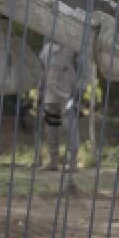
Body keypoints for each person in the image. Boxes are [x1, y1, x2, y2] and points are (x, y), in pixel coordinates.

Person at [37, 40, 92, 172]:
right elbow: (41, 71)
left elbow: (83, 71)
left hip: (69, 93)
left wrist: (80, 90)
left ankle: (73, 162)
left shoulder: (75, 49)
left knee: (69, 126)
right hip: (50, 94)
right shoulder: (47, 49)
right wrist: (40, 90)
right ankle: (53, 161)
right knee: (51, 127)